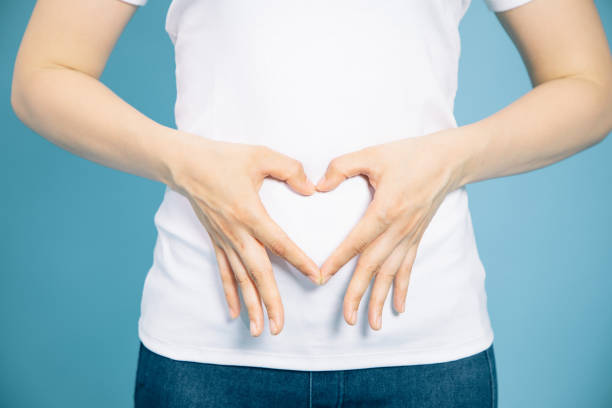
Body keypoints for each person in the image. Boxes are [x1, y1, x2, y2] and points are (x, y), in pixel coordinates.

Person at [10, 0, 612, 406]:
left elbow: (589, 86)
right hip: (207, 352)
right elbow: (44, 74)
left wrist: (454, 157)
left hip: (428, 355)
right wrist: (185, 162)